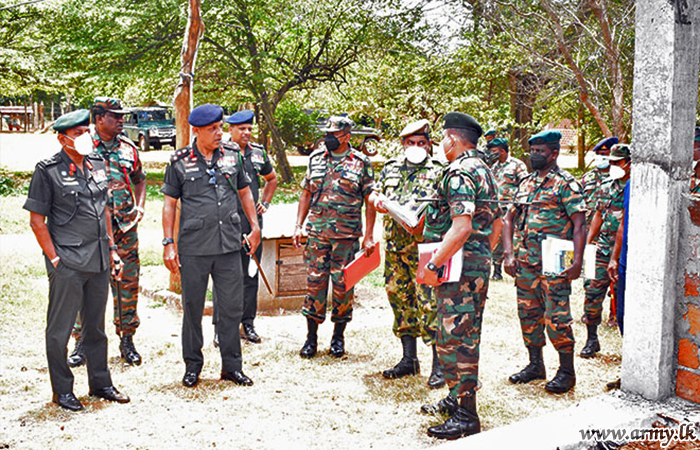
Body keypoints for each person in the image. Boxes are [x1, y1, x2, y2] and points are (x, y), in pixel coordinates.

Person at [24, 109, 130, 411]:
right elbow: (37, 221)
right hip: (68, 262)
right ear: (63, 138)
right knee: (60, 331)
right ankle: (63, 390)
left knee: (95, 328)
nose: (86, 137)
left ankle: (101, 383)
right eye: (79, 133)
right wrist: (55, 260)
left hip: (98, 259)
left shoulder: (97, 163)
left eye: (87, 131)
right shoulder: (47, 170)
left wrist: (111, 249)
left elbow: (104, 210)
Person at [161, 104, 261, 388]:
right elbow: (169, 204)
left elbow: (245, 192)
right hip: (193, 247)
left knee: (231, 307)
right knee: (192, 308)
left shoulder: (232, 156)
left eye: (220, 127)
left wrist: (254, 228)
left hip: (229, 244)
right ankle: (193, 366)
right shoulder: (179, 161)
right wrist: (169, 243)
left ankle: (232, 366)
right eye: (212, 129)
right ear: (196, 131)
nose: (219, 133)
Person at [419, 112, 501, 440]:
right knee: (460, 333)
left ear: (452, 139)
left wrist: (435, 263)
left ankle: (467, 416)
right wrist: (484, 255)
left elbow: (462, 226)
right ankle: (456, 399)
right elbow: (496, 222)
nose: (442, 144)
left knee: (459, 339)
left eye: (443, 138)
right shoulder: (484, 170)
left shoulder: (459, 171)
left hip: (458, 268)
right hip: (475, 265)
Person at [503, 129, 586, 395]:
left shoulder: (565, 184)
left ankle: (566, 372)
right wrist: (509, 254)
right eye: (533, 150)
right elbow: (508, 218)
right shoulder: (525, 183)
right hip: (526, 260)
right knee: (528, 313)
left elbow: (579, 224)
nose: (534, 155)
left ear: (554, 153)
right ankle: (535, 365)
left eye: (540, 151)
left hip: (557, 258)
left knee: (558, 317)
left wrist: (577, 261)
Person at [67, 97, 147, 367]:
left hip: (125, 228)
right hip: (91, 231)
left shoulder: (128, 147)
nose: (121, 120)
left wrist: (140, 207)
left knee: (127, 284)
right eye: (115, 116)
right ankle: (81, 341)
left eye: (122, 115)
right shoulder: (83, 145)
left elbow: (140, 179)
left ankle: (127, 339)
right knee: (86, 286)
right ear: (99, 118)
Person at [368, 119, 445, 388]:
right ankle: (409, 359)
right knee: (399, 300)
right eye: (410, 143)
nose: (415, 147)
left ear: (430, 145)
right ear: (403, 145)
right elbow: (375, 195)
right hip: (395, 247)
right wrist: (376, 201)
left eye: (421, 143)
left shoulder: (440, 171)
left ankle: (440, 365)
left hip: (425, 249)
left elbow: (446, 209)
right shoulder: (390, 168)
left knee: (430, 304)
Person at [292, 115, 376, 359]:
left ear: (347, 137)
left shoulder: (361, 162)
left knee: (343, 287)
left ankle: (338, 337)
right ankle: (311, 338)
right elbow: (306, 192)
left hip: (347, 236)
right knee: (314, 285)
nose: (327, 138)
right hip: (318, 233)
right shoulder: (316, 159)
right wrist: (298, 225)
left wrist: (369, 235)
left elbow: (370, 199)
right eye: (326, 133)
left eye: (333, 134)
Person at [214, 109, 277, 344]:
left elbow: (272, 178)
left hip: (252, 224)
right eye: (241, 129)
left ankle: (247, 324)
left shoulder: (258, 154)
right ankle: (221, 329)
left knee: (251, 274)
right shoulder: (220, 152)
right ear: (230, 130)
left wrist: (266, 202)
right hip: (227, 224)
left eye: (250, 129)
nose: (247, 132)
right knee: (225, 277)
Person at [580, 144, 630, 358]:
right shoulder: (607, 186)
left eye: (617, 162)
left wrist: (615, 258)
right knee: (591, 291)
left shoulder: (636, 188)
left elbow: (623, 225)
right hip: (601, 249)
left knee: (622, 298)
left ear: (629, 163)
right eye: (610, 162)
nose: (612, 166)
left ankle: (628, 345)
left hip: (623, 253)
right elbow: (598, 216)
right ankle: (592, 339)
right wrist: (588, 245)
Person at [486, 137, 528, 281]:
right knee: (497, 237)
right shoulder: (494, 167)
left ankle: (516, 268)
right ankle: (497, 270)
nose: (492, 154)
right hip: (498, 209)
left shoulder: (517, 165)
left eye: (494, 151)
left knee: (515, 239)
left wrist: (517, 204)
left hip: (512, 209)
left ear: (503, 151)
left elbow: (525, 186)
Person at [581, 136, 617, 226]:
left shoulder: (618, 177)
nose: (601, 157)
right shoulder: (588, 177)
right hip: (589, 228)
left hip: (609, 230)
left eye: (604, 154)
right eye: (598, 154)